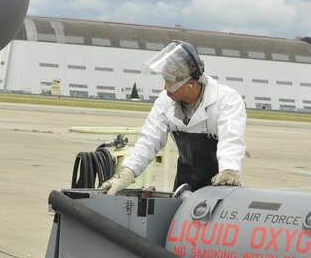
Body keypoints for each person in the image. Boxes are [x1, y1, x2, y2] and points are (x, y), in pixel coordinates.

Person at [101, 40, 246, 195]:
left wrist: (229, 170)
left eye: (170, 82)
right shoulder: (166, 100)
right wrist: (127, 172)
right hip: (184, 186)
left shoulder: (226, 100)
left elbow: (231, 139)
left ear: (190, 84)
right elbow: (149, 140)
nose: (165, 87)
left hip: (218, 187)